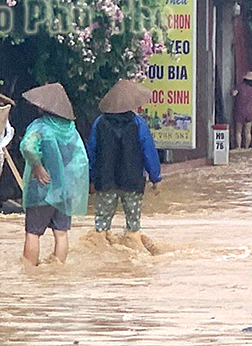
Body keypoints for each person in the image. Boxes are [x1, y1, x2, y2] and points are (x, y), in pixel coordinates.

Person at [19, 83, 89, 266]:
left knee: (33, 233)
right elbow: (78, 159)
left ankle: (29, 272)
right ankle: (57, 270)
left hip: (42, 188)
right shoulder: (70, 130)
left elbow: (27, 147)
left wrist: (37, 166)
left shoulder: (40, 127)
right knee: (61, 233)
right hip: (64, 190)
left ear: (43, 107)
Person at [87, 80, 162, 234]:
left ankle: (103, 254)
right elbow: (149, 152)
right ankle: (134, 253)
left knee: (101, 226)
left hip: (105, 181)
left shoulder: (99, 124)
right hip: (132, 182)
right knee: (133, 226)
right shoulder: (139, 124)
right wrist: (155, 178)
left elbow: (91, 154)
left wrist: (90, 179)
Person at [232, 72, 252, 149]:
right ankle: (246, 147)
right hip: (249, 112)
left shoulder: (239, 87)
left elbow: (233, 94)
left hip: (239, 110)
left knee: (238, 131)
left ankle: (238, 147)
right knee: (247, 132)